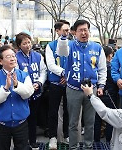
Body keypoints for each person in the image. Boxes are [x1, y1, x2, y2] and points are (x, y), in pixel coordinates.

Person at [56, 19, 107, 149]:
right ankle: (73, 146)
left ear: (89, 31)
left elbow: (102, 68)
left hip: (92, 89)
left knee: (90, 121)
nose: (84, 33)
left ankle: (88, 146)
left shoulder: (97, 47)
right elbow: (61, 51)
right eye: (80, 30)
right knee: (73, 122)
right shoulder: (69, 45)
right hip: (73, 89)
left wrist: (101, 85)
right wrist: (63, 36)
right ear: (75, 32)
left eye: (86, 30)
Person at [0, 45, 34, 150]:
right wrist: (6, 88)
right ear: (1, 61)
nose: (12, 58)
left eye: (13, 56)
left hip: (21, 122)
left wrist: (17, 85)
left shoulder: (24, 75)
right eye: (8, 56)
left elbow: (28, 93)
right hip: (1, 123)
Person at [15, 32, 47, 149]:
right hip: (23, 93)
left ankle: (33, 140)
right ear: (19, 45)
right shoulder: (16, 57)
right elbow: (17, 74)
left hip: (36, 92)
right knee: (23, 118)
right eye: (24, 43)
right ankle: (22, 142)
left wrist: (39, 83)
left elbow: (43, 71)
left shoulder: (38, 56)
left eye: (29, 42)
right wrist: (27, 87)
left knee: (33, 117)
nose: (28, 45)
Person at [45, 19, 70, 149]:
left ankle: (66, 135)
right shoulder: (50, 46)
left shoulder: (72, 44)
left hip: (69, 83)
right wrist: (63, 73)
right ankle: (53, 137)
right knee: (53, 111)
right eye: (64, 30)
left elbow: (75, 62)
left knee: (68, 111)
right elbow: (50, 64)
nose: (67, 32)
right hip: (55, 83)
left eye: (68, 30)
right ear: (57, 31)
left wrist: (68, 77)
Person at [94, 46, 119, 142]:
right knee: (110, 119)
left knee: (97, 119)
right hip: (110, 96)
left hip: (98, 94)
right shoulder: (112, 67)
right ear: (109, 55)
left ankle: (96, 140)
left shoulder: (97, 67)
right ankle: (109, 141)